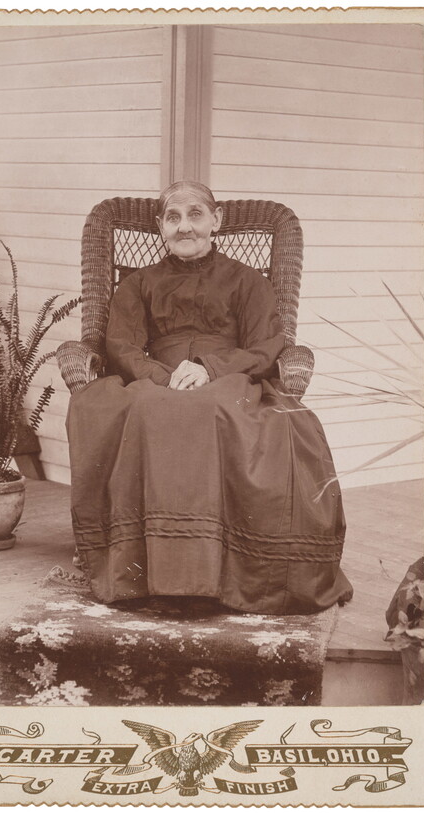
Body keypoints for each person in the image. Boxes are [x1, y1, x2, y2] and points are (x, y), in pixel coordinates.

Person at [66, 181, 353, 615]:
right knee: (144, 408)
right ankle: (153, 575)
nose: (186, 227)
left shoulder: (247, 282)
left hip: (230, 378)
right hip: (156, 380)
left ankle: (224, 574)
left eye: (196, 215)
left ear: (215, 221)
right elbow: (121, 345)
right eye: (174, 217)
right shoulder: (139, 284)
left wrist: (210, 369)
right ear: (160, 226)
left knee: (220, 408)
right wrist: (162, 375)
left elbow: (266, 345)